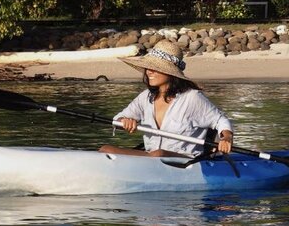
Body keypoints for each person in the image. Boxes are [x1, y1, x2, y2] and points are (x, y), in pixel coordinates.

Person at [98, 40, 233, 158]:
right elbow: (117, 120)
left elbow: (220, 120)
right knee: (105, 149)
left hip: (185, 161)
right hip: (152, 158)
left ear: (171, 72)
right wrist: (124, 121)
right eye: (148, 67)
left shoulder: (192, 97)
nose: (149, 72)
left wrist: (226, 138)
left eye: (155, 68)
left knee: (159, 154)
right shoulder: (145, 97)